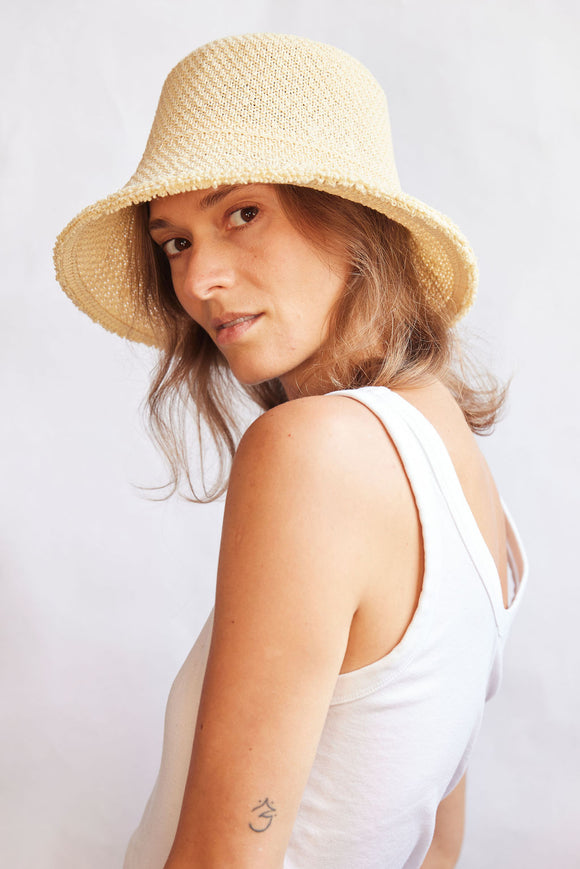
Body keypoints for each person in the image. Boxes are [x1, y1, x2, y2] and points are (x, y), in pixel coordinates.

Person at [54, 33, 528, 869]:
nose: (199, 281)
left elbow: (221, 857)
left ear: (355, 225)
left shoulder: (313, 452)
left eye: (242, 213)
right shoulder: (464, 479)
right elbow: (436, 845)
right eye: (176, 241)